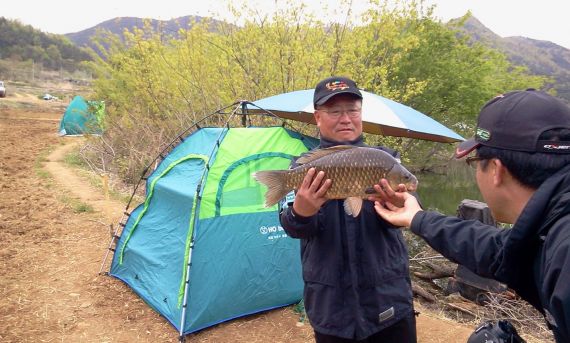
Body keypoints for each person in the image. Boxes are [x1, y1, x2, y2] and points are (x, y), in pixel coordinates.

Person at [373, 89, 570, 342]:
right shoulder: (551, 227)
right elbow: (499, 250)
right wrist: (416, 217)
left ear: (496, 170)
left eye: (475, 161)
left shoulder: (564, 254)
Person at [280, 76, 417, 342]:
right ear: (318, 118)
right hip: (331, 307)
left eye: (353, 110)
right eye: (335, 111)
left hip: (387, 297)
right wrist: (302, 212)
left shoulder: (387, 159)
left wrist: (396, 205)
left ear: (361, 113)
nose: (346, 119)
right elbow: (290, 225)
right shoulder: (300, 168)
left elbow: (412, 209)